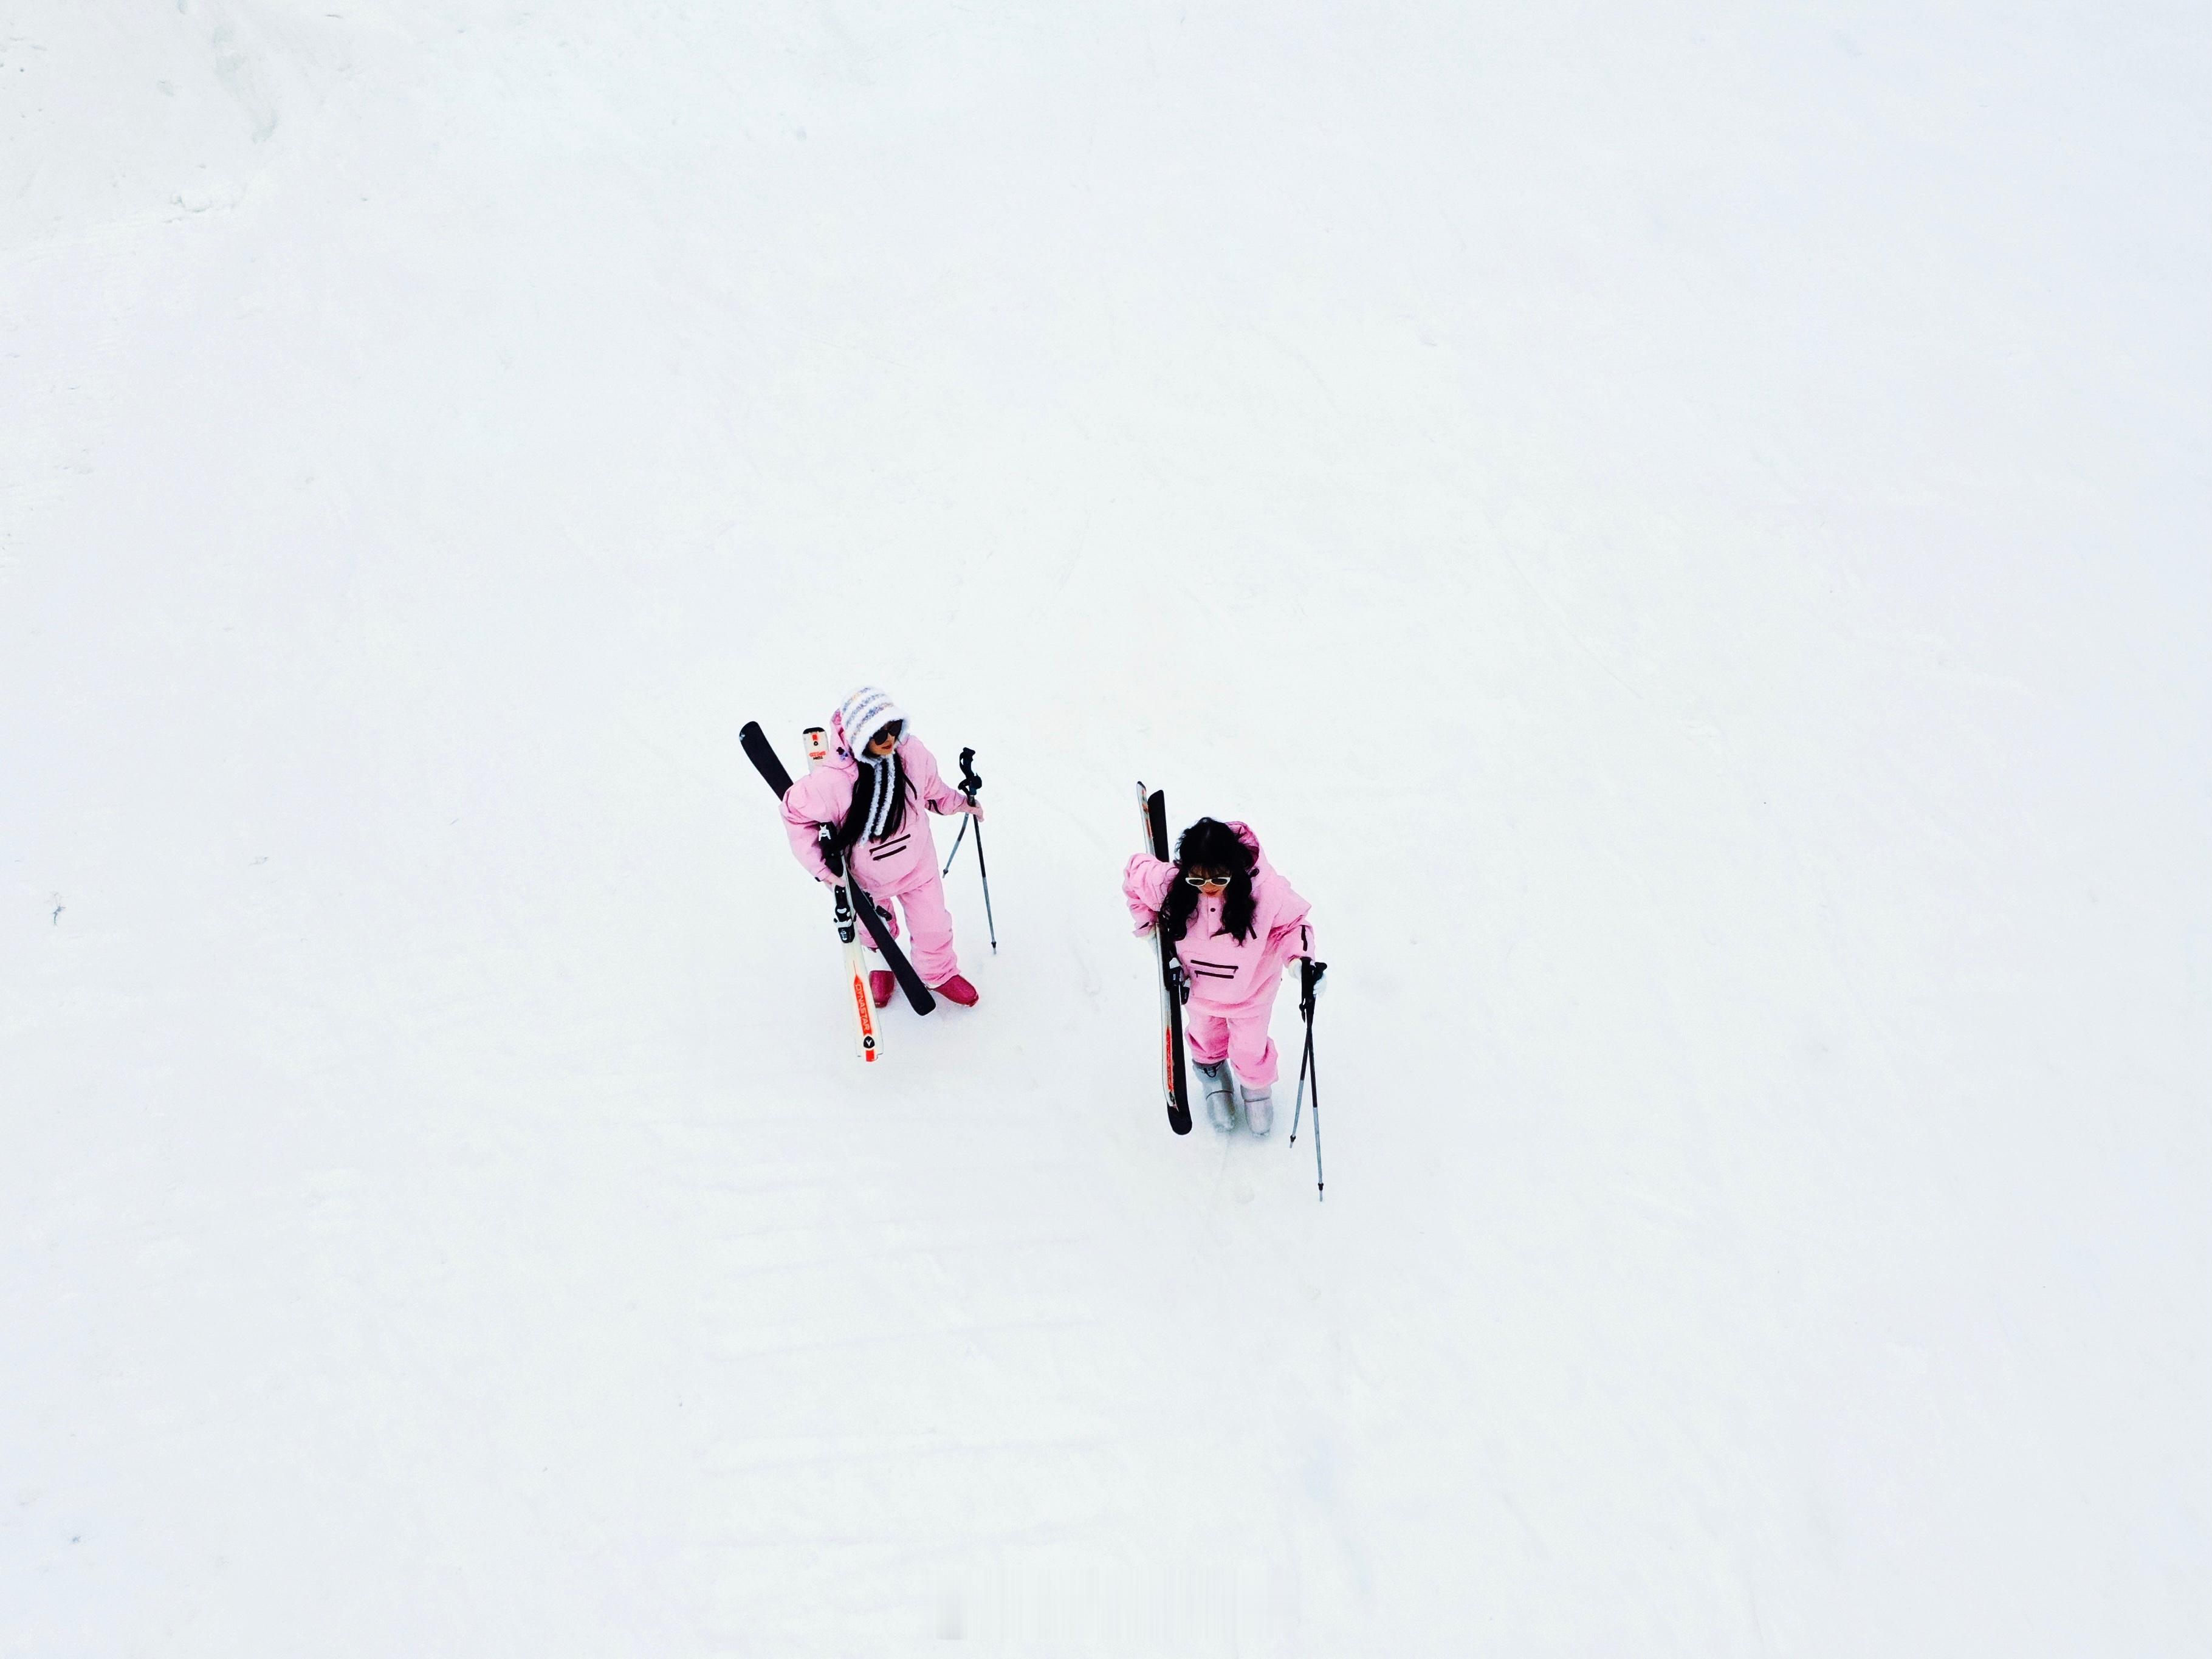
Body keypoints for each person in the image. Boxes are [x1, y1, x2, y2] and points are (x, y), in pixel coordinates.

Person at [781, 687, 983, 1008]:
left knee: (934, 925)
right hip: (867, 879)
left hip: (918, 865)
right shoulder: (833, 783)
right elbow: (794, 815)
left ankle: (939, 972)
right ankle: (883, 963)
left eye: (894, 729)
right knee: (875, 930)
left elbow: (932, 791)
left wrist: (960, 804)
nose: (890, 740)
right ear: (861, 737)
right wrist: (823, 869)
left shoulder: (912, 754)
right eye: (879, 735)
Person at [1124, 817, 1312, 1133]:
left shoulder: (1266, 892)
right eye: (1197, 880)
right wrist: (1150, 933)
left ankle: (1255, 1088)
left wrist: (1300, 962)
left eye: (1219, 879)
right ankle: (1214, 1078)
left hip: (1252, 993)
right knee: (1206, 1037)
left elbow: (1294, 925)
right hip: (1198, 993)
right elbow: (1133, 874)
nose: (1208, 888)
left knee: (1251, 1047)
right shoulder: (1171, 885)